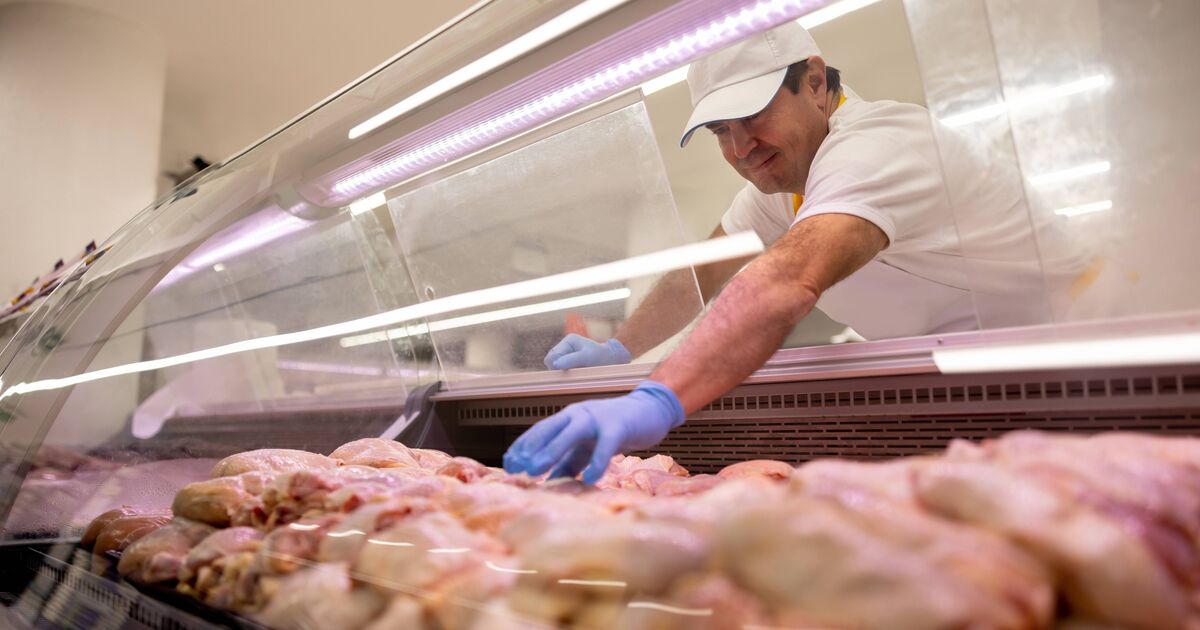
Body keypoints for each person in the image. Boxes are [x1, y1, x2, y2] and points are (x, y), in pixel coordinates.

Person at [503, 21, 1083, 484]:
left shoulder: (881, 142)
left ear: (814, 81)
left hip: (1073, 375)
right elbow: (701, 274)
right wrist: (619, 348)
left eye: (753, 115)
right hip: (965, 393)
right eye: (720, 131)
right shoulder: (783, 188)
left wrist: (657, 400)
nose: (741, 147)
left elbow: (787, 280)